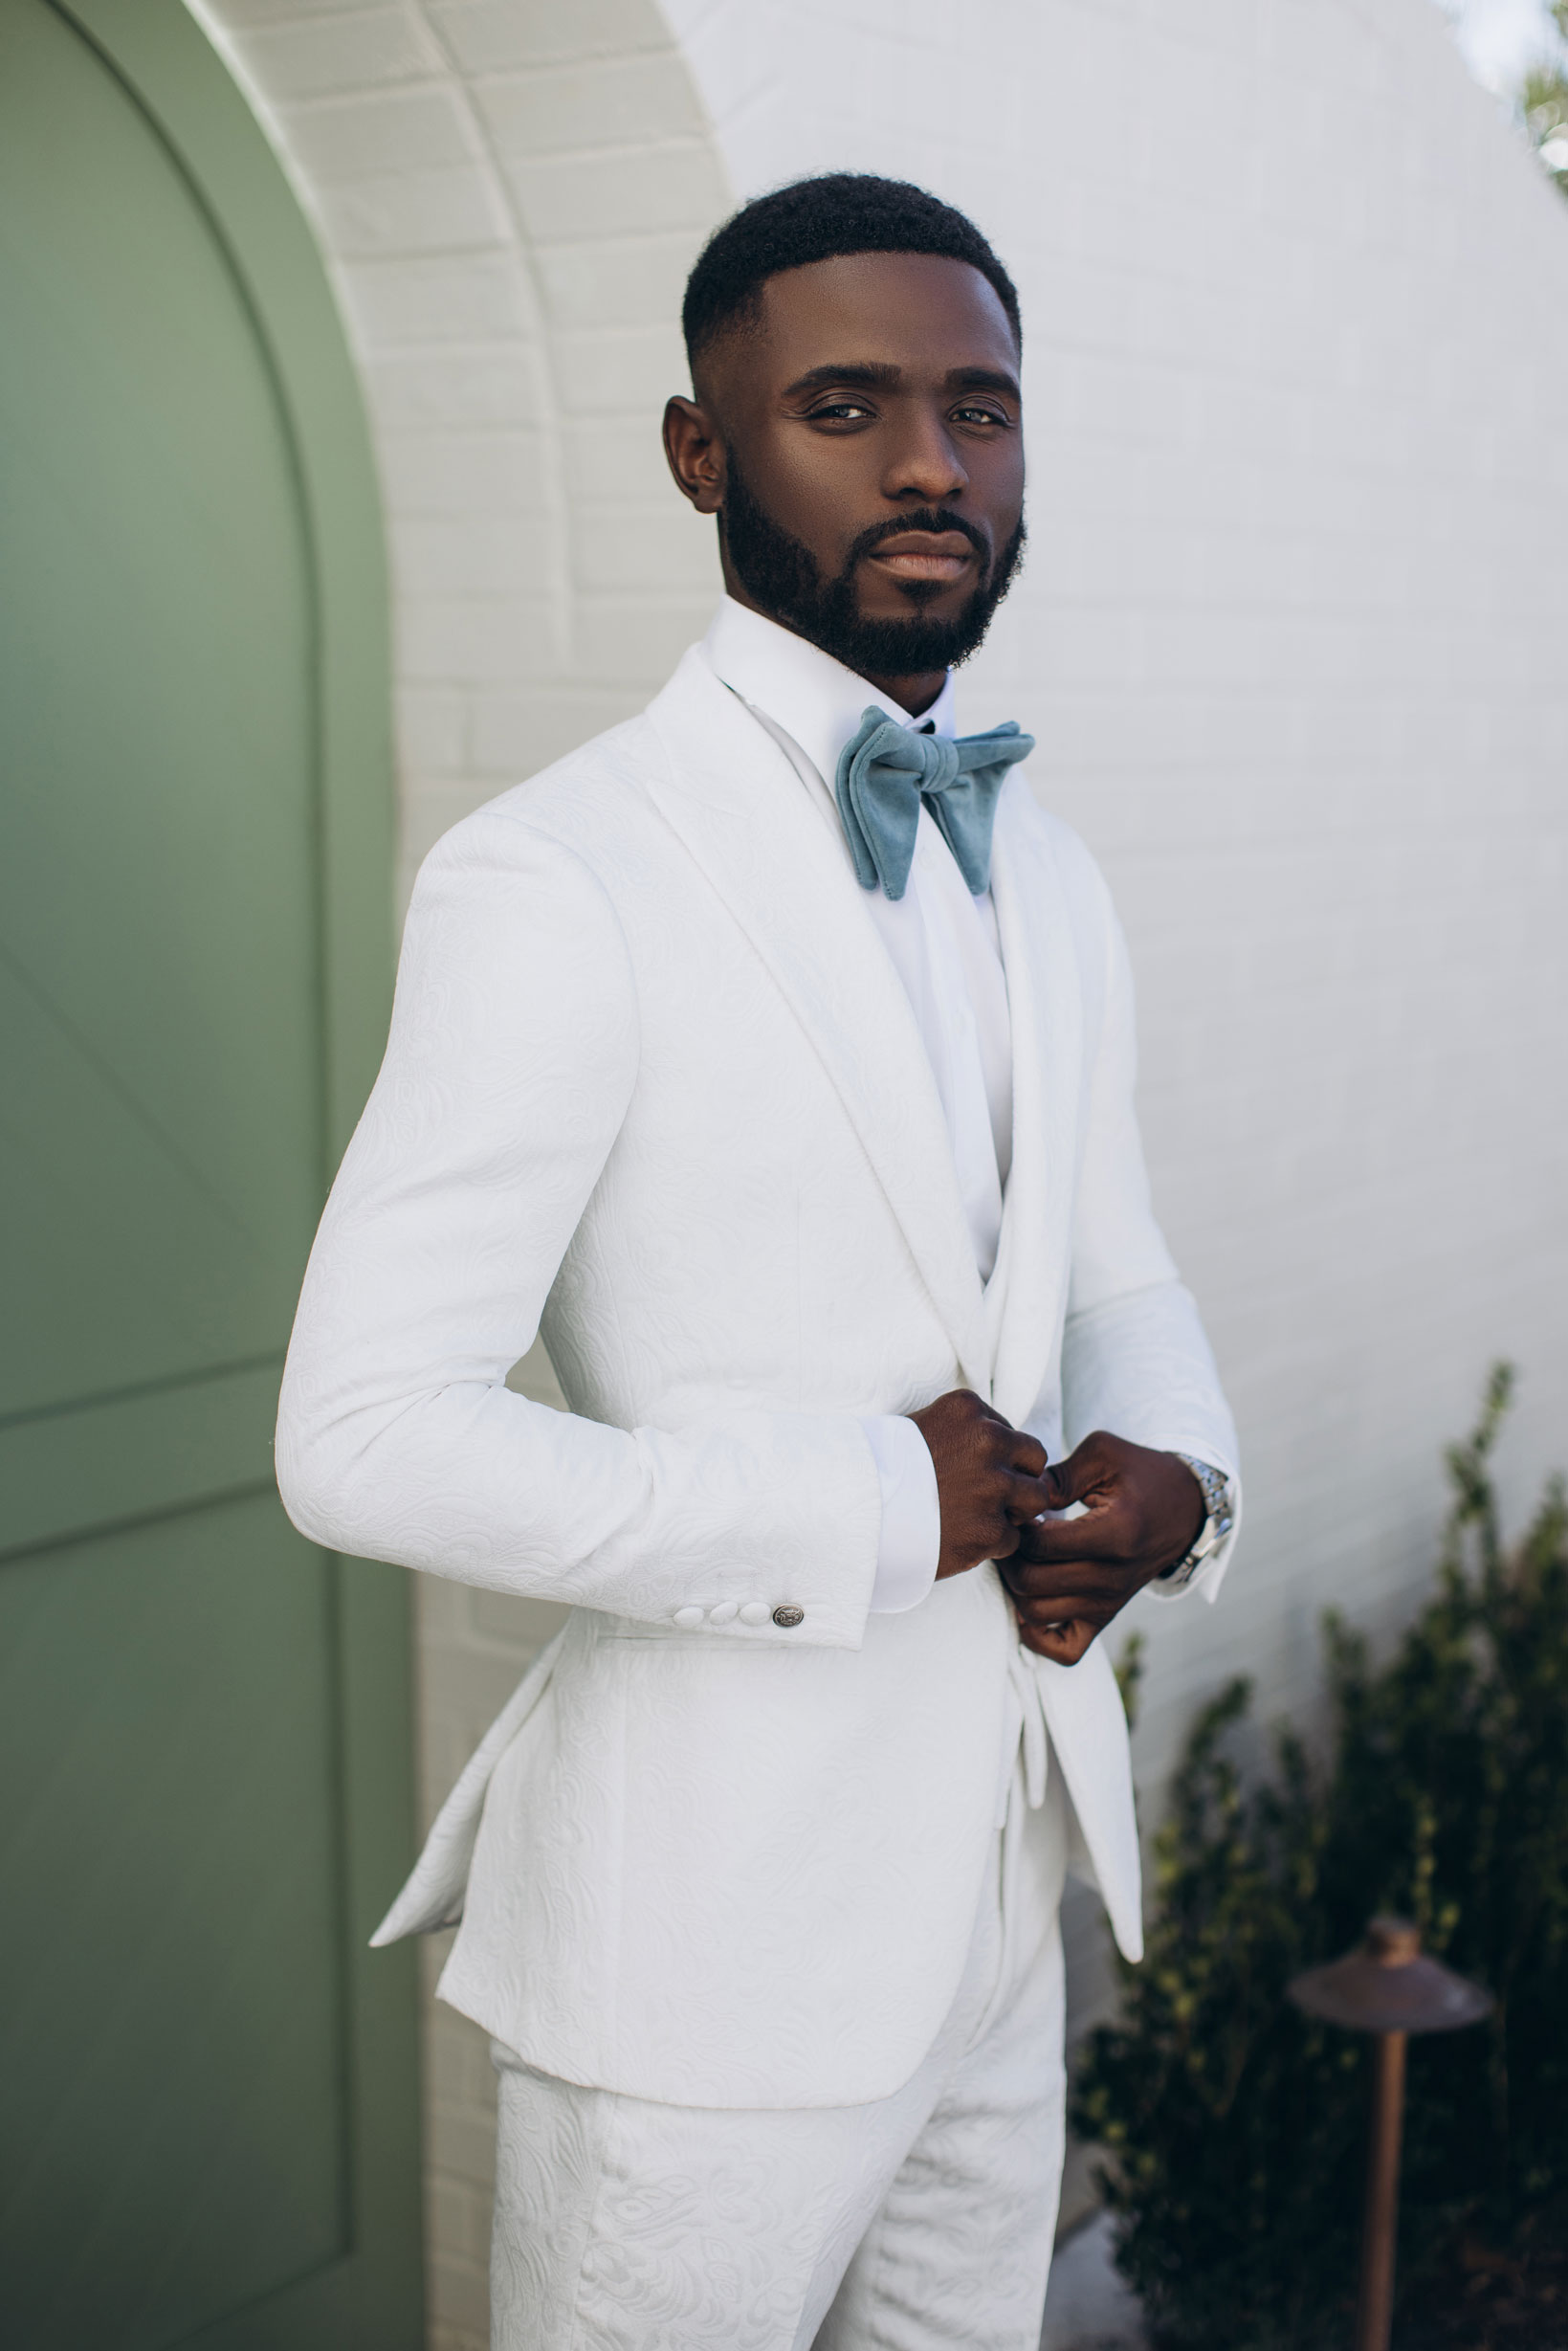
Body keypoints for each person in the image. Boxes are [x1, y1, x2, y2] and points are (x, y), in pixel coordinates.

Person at [276, 172, 1239, 2351]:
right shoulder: (556, 877)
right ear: (700, 454)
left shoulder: (1051, 866)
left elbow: (1116, 1267)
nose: (930, 462)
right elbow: (359, 1438)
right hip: (702, 1956)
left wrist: (1178, 1475)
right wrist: (870, 1501)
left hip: (1002, 1892)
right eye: (844, 404)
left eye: (980, 410)